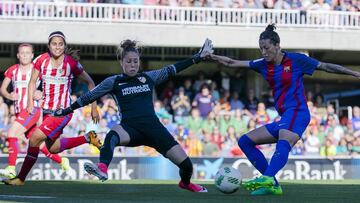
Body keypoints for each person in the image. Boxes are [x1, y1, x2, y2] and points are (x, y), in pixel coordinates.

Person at [207, 24, 360, 195]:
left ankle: (268, 178)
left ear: (277, 45)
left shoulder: (297, 60)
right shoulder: (262, 64)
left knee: (283, 140)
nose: (263, 52)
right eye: (261, 49)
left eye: (266, 48)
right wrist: (210, 56)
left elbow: (325, 66)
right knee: (245, 141)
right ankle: (272, 183)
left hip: (298, 112)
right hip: (286, 117)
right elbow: (232, 62)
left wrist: (355, 74)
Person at [53, 38, 213, 192]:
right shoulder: (114, 81)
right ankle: (102, 168)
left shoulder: (148, 77)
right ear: (121, 63)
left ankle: (185, 184)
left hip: (154, 130)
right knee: (112, 135)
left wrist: (198, 57)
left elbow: (173, 68)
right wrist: (67, 110)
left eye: (135, 61)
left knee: (187, 166)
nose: (132, 64)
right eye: (128, 61)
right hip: (130, 129)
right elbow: (89, 96)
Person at [3, 31, 102, 186]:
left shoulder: (71, 64)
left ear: (65, 46)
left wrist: (94, 108)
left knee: (34, 138)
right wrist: (30, 102)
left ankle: (20, 178)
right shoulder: (41, 60)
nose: (57, 47)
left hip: (63, 112)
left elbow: (91, 83)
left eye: (60, 44)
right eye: (54, 44)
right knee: (53, 148)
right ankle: (87, 138)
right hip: (47, 111)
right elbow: (32, 81)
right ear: (49, 46)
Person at [0, 43, 71, 179]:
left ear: (32, 56)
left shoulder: (37, 69)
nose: (25, 55)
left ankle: (11, 168)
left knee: (12, 133)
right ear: (18, 55)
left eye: (28, 53)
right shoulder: (12, 70)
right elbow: (3, 88)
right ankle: (62, 160)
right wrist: (9, 95)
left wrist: (41, 93)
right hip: (19, 112)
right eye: (22, 53)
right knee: (39, 145)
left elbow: (51, 84)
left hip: (31, 109)